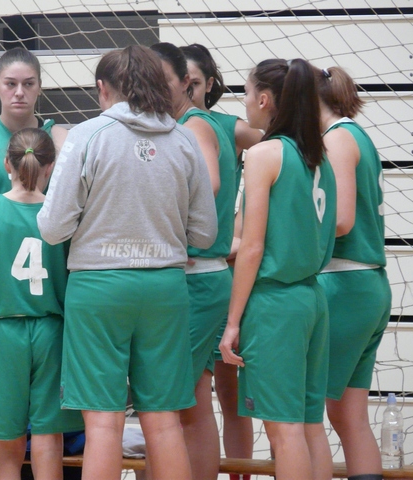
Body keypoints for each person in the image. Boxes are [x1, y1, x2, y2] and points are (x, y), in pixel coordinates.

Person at [37, 45, 218, 480]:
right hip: (165, 288)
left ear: (103, 88)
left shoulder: (86, 135)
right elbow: (205, 235)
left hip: (99, 288)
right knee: (164, 421)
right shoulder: (184, 139)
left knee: (103, 423)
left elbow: (53, 228)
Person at [219, 58, 337, 480]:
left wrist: (233, 322)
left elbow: (252, 247)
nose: (245, 102)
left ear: (265, 99)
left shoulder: (264, 153)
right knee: (308, 427)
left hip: (276, 305)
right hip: (312, 299)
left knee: (283, 433)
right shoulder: (318, 154)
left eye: (247, 93)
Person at [0, 128, 85, 480]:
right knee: (48, 435)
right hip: (52, 331)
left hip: (4, 331)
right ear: (51, 166)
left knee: (5, 437)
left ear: (6, 163)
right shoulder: (64, 214)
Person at [151, 41, 236, 480]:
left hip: (198, 277)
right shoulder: (185, 124)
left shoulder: (195, 125)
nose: (154, 89)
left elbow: (211, 183)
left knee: (169, 404)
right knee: (195, 404)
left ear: (186, 82)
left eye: (163, 81)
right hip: (202, 277)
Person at [181, 43, 262, 480]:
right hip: (199, 274)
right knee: (195, 395)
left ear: (209, 84)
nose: (187, 89)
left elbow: (283, 156)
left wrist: (245, 229)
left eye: (194, 82)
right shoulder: (173, 127)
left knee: (231, 397)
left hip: (222, 274)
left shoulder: (227, 127)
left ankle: (240, 475)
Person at [316, 65, 391, 480]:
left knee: (303, 414)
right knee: (349, 416)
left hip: (344, 282)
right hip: (367, 283)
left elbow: (341, 221)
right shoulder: (356, 134)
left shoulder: (336, 138)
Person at [0, 47, 68, 194]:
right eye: (11, 84)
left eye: (28, 84)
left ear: (39, 87)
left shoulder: (62, 140)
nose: (19, 93)